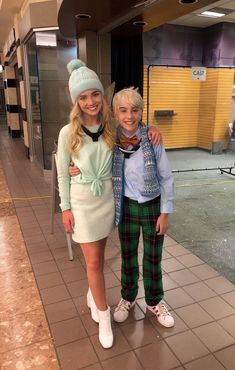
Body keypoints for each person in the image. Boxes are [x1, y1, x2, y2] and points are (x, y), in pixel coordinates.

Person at [57, 59, 161, 349]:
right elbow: (62, 174)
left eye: (94, 94)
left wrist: (152, 129)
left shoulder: (111, 127)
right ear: (76, 101)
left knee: (99, 261)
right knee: (92, 262)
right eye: (83, 97)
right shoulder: (67, 133)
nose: (90, 101)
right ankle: (103, 315)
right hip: (81, 203)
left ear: (101, 96)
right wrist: (65, 208)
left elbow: (134, 128)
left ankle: (94, 295)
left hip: (107, 201)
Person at [112, 87, 175, 328]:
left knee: (152, 257)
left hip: (152, 206)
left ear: (141, 112)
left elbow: (167, 177)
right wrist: (72, 168)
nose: (129, 116)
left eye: (135, 110)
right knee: (127, 256)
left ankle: (154, 300)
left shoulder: (152, 137)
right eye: (124, 110)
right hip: (126, 206)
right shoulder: (111, 138)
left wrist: (165, 213)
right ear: (116, 114)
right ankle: (127, 297)